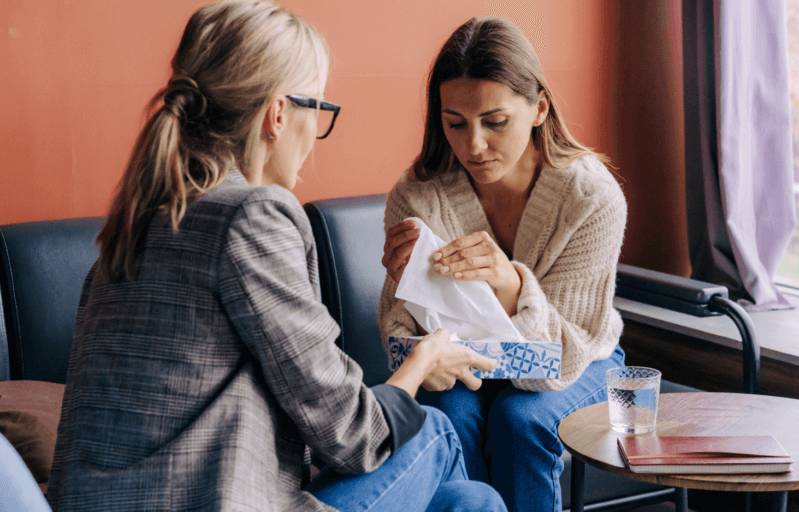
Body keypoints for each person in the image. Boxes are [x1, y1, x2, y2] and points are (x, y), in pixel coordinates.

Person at [46, 2, 507, 511]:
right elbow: (354, 434)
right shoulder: (251, 216)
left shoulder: (135, 226)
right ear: (279, 113)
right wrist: (422, 364)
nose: (314, 136)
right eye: (320, 111)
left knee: (471, 500)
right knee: (438, 432)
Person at [378, 17, 628, 512]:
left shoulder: (592, 198)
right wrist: (405, 287)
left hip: (581, 358)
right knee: (446, 412)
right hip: (466, 361)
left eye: (495, 122)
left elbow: (567, 352)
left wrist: (512, 287)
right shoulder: (416, 193)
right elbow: (400, 339)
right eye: (455, 123)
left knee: (521, 420)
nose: (473, 146)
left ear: (539, 108)